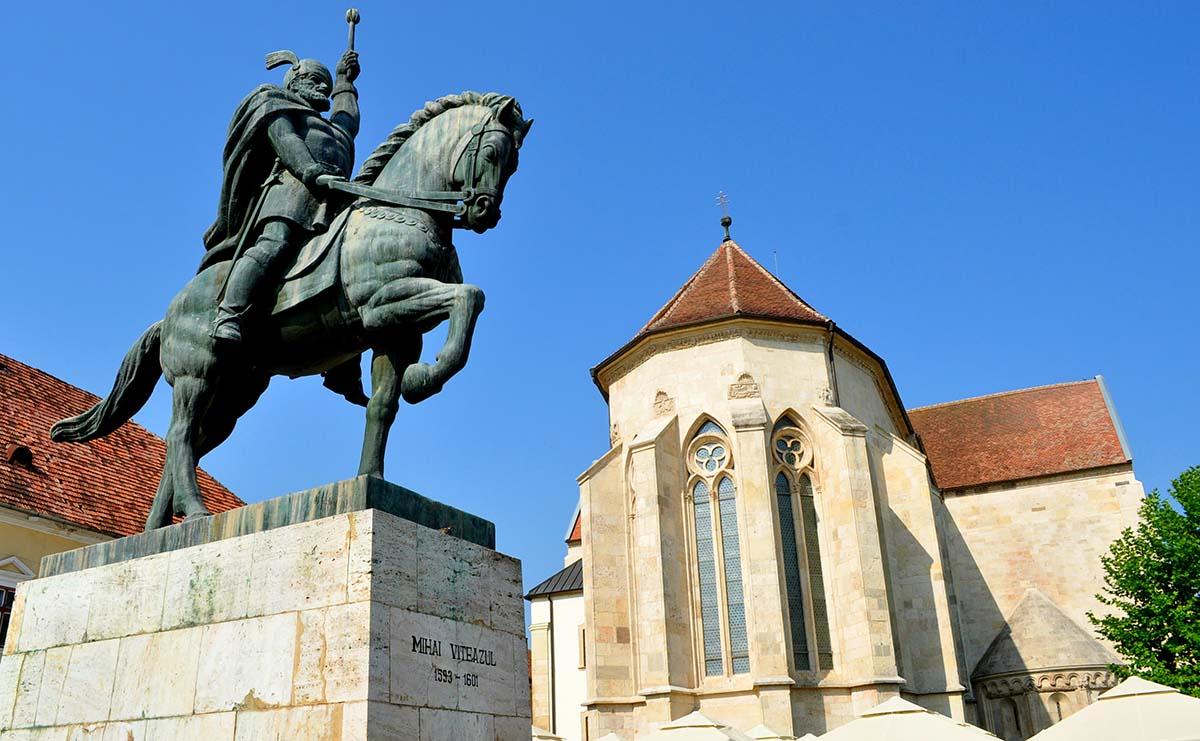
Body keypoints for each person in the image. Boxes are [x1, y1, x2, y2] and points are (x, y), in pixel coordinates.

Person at [200, 48, 362, 346]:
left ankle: (341, 363)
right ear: (294, 82)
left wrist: (345, 81)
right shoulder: (276, 105)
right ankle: (229, 312)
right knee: (275, 244)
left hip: (335, 197)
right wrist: (311, 171)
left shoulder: (334, 129)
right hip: (290, 194)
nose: (323, 87)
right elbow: (286, 141)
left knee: (351, 260)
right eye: (316, 79)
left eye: (326, 83)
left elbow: (347, 119)